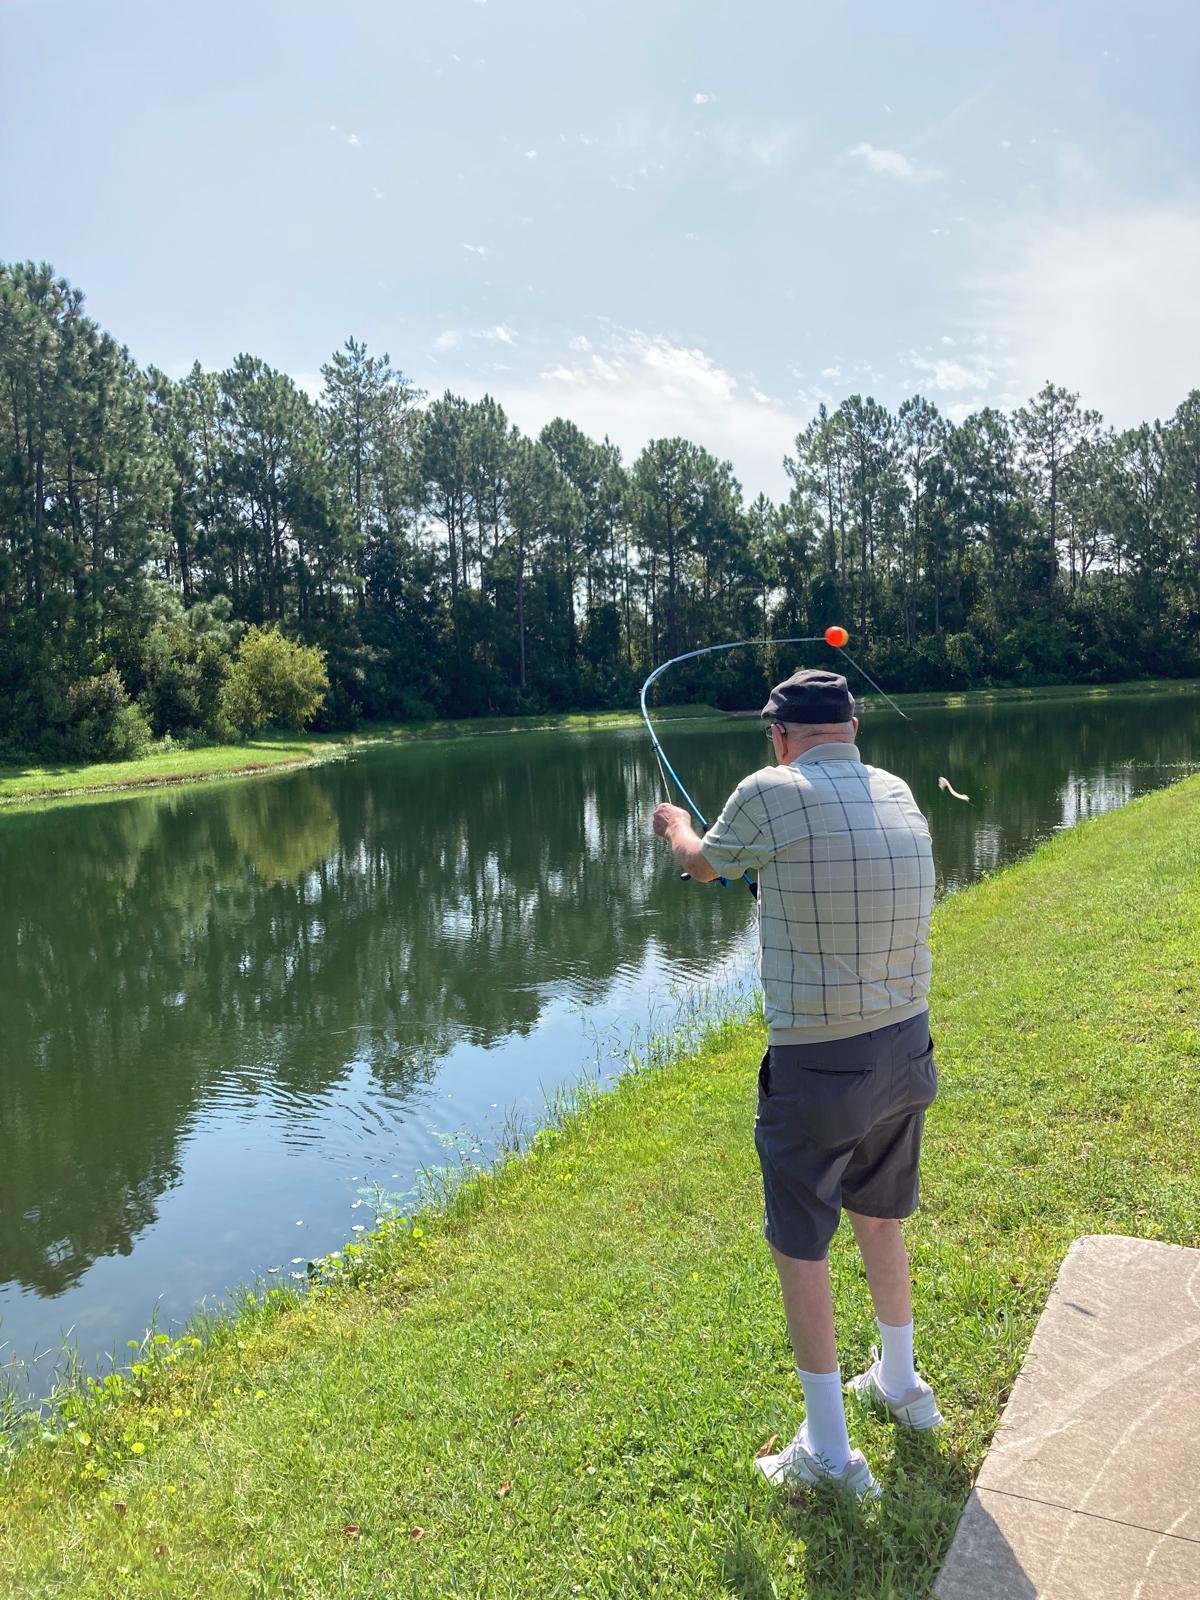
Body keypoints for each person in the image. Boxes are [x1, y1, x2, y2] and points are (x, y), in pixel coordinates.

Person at [651, 668, 942, 1500]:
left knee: (800, 1247)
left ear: (780, 735)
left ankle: (830, 1454)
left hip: (820, 1064)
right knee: (879, 1219)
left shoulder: (770, 789)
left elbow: (706, 866)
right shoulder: (899, 792)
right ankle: (902, 1384)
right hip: (908, 1048)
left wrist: (676, 826)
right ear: (852, 729)